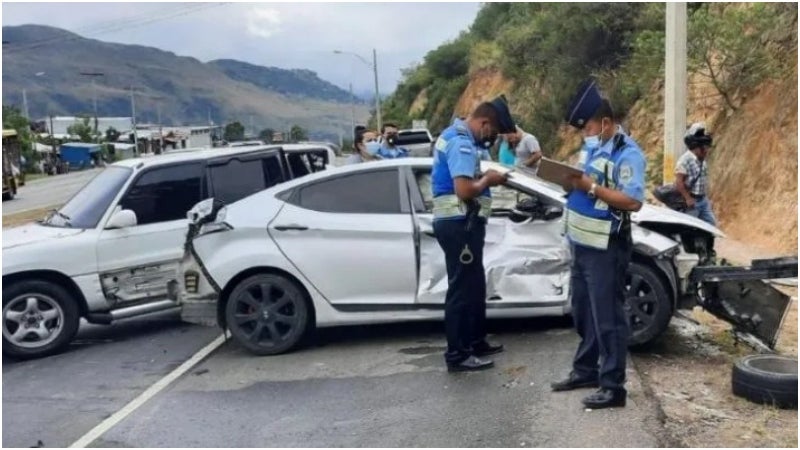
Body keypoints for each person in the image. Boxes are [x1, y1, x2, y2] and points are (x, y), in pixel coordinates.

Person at [551, 79, 646, 409]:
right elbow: (581, 181)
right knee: (583, 312)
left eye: (588, 127)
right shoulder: (592, 148)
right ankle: (586, 370)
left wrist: (590, 187)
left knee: (608, 318)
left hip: (607, 247)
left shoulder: (628, 154)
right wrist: (568, 181)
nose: (585, 134)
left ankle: (612, 386)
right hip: (581, 243)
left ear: (605, 123)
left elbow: (632, 202)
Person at [431, 95, 516, 372]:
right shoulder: (461, 143)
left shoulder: (456, 136)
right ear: (484, 123)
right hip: (459, 225)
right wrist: (488, 181)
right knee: (462, 289)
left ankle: (476, 341)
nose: (492, 138)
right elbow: (464, 190)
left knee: (474, 284)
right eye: (493, 132)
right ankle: (457, 354)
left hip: (464, 224)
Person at [675, 122, 716, 226]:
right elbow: (679, 182)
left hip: (703, 200)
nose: (706, 150)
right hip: (692, 202)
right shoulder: (685, 160)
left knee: (711, 224)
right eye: (704, 148)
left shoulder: (702, 160)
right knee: (690, 228)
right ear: (696, 147)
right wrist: (688, 198)